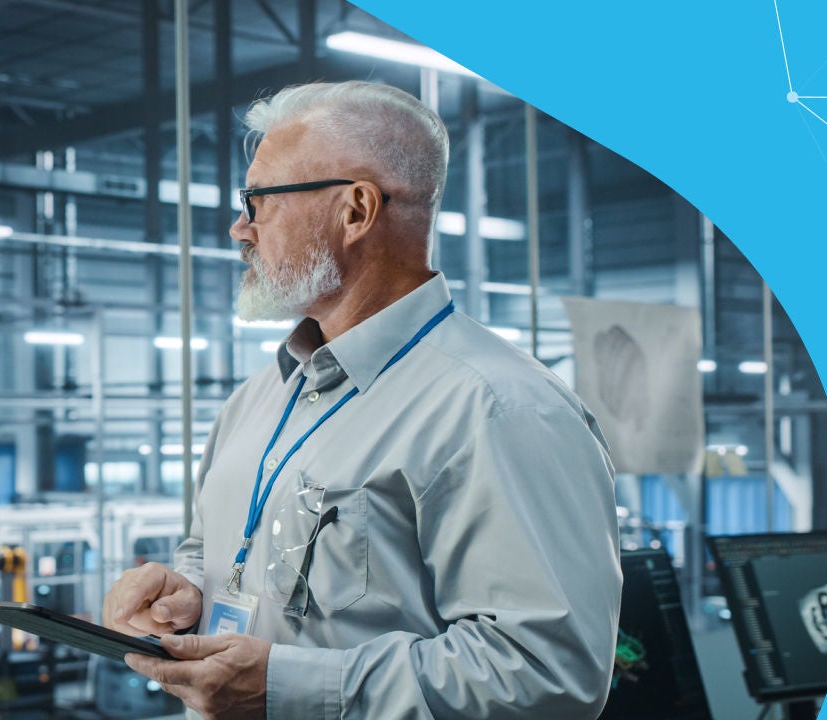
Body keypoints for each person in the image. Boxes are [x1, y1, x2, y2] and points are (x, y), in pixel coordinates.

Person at [102, 80, 621, 720]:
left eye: (257, 200)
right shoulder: (259, 399)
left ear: (356, 211)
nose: (240, 228)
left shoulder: (498, 409)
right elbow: (223, 560)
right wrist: (185, 594)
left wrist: (290, 688)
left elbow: (549, 676)